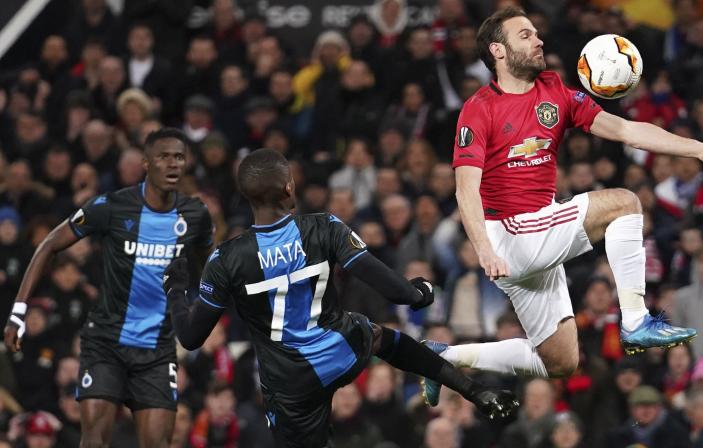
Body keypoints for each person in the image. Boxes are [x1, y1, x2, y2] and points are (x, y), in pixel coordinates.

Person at [419, 6, 703, 405]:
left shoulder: (555, 90)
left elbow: (626, 130)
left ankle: (439, 356)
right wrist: (484, 250)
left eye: (536, 32)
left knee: (560, 361)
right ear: (498, 51)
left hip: (536, 236)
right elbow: (465, 189)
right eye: (525, 35)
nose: (538, 39)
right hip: (510, 236)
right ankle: (636, 319)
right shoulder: (480, 107)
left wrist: (697, 149)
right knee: (625, 202)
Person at [160, 148, 517, 447]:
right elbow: (393, 288)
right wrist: (419, 292)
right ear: (288, 187)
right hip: (339, 348)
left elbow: (191, 338)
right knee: (381, 338)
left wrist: (176, 289)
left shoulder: (227, 259)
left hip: (289, 385)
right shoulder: (323, 227)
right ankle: (473, 390)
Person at [4, 128, 214, 447]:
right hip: (105, 343)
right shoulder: (112, 206)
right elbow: (48, 244)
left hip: (157, 349)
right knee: (94, 442)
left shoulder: (195, 216)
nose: (173, 164)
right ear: (146, 162)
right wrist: (18, 313)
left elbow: (206, 277)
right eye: (163, 156)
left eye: (179, 157)